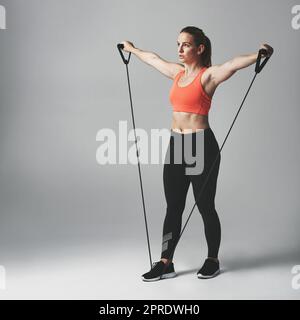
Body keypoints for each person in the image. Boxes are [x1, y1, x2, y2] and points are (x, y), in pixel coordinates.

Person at [120, 26, 273, 282]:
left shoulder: (207, 76)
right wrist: (131, 49)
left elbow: (232, 65)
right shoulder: (177, 73)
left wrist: (259, 54)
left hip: (202, 147)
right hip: (177, 146)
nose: (179, 49)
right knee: (173, 207)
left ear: (199, 48)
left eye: (186, 45)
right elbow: (153, 58)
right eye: (178, 44)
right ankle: (165, 262)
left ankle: (212, 259)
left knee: (205, 207)